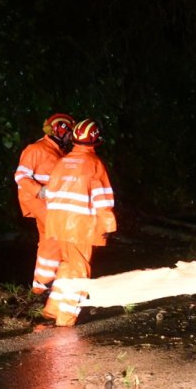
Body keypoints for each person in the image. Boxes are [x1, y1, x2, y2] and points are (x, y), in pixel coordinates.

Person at [42, 119, 116, 326]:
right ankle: (66, 319)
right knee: (80, 271)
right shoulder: (94, 164)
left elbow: (51, 193)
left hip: (58, 223)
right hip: (80, 226)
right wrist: (108, 226)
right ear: (95, 140)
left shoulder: (63, 161)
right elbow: (102, 199)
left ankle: (53, 309)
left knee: (67, 265)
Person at [13, 113, 75, 294]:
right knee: (56, 236)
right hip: (37, 200)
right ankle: (46, 285)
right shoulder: (36, 149)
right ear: (61, 129)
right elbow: (20, 176)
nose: (72, 137)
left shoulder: (59, 151)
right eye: (70, 132)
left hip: (49, 202)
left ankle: (41, 286)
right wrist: (39, 190)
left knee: (49, 239)